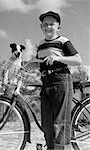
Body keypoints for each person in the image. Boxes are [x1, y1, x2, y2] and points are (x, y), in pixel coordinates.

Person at [36, 11, 82, 150]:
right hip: (46, 81)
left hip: (60, 80)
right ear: (41, 27)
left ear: (58, 27)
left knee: (60, 123)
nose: (48, 27)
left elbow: (77, 60)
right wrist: (25, 64)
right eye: (45, 24)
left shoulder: (63, 41)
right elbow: (39, 62)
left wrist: (58, 58)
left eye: (52, 24)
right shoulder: (40, 44)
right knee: (47, 123)